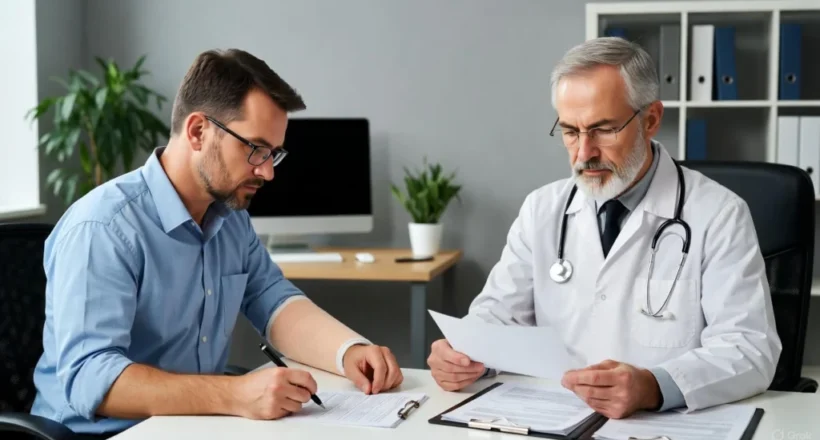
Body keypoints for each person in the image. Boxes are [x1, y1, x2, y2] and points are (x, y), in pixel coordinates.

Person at [30, 48, 403, 438]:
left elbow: (274, 300)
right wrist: (235, 394)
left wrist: (350, 352)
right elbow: (91, 377)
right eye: (256, 149)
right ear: (197, 132)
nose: (267, 172)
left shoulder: (230, 218)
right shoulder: (103, 227)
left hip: (191, 427)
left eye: (274, 154)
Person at [427, 37, 781, 419]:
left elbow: (749, 348)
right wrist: (463, 354)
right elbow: (497, 317)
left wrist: (654, 386)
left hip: (661, 424)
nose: (583, 153)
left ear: (651, 120)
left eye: (603, 129)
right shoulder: (542, 209)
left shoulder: (719, 214)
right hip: (552, 416)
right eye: (570, 131)